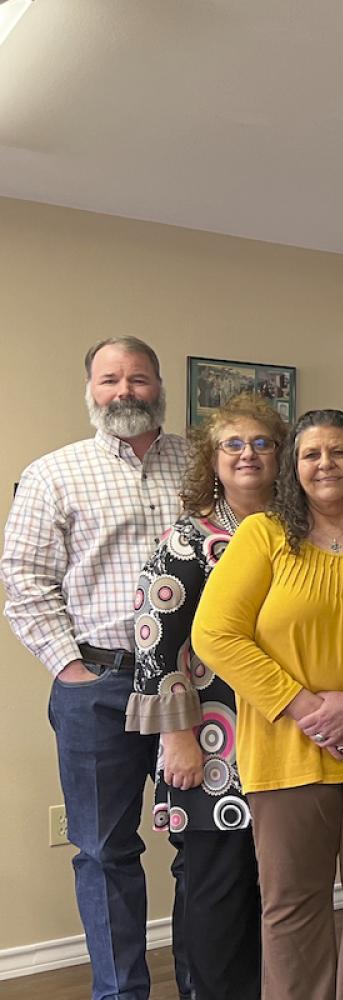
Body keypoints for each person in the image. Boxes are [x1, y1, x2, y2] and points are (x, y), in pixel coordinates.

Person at [192, 409, 343, 1000]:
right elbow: (215, 635)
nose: (325, 464)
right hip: (286, 751)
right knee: (292, 910)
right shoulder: (263, 536)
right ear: (294, 468)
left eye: (339, 452)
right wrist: (307, 709)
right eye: (311, 454)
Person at [2, 336, 189, 1000]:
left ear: (159, 384)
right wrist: (69, 669)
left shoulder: (201, 466)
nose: (124, 391)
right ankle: (120, 992)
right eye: (110, 379)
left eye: (138, 378)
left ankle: (205, 984)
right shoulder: (55, 472)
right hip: (97, 688)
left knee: (206, 847)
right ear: (90, 390)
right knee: (105, 853)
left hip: (192, 690)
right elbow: (23, 581)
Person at [125, 393, 287, 1000]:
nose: (248, 455)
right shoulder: (190, 538)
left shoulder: (299, 529)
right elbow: (154, 640)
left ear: (280, 453)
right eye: (233, 445)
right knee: (216, 884)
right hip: (213, 740)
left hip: (289, 734)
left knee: (273, 886)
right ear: (213, 460)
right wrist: (178, 737)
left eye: (261, 443)